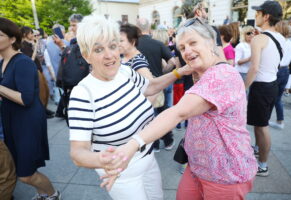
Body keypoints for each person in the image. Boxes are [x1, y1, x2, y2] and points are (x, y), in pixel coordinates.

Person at [103, 17, 257, 200]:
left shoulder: (221, 75)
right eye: (182, 47)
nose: (187, 51)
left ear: (210, 43)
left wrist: (131, 146)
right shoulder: (203, 73)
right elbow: (152, 87)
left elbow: (178, 112)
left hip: (225, 173)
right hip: (197, 167)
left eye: (193, 43)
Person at [68, 15, 192, 200]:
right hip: (121, 172)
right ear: (87, 56)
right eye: (98, 49)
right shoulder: (83, 94)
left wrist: (178, 72)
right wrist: (102, 160)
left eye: (112, 46)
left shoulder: (124, 71)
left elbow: (150, 87)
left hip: (148, 157)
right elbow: (78, 152)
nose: (109, 55)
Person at [0, 17, 61, 200]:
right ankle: (43, 193)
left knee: (25, 174)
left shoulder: (23, 62)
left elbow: (26, 98)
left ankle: (52, 194)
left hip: (26, 122)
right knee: (21, 169)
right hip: (11, 121)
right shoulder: (3, 62)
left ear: (12, 39)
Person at [246, 1, 285, 176]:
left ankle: (263, 165)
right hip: (272, 84)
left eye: (258, 13)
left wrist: (242, 88)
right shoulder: (281, 38)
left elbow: (254, 68)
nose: (256, 16)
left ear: (266, 16)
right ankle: (258, 150)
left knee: (262, 127)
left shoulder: (259, 39)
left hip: (261, 86)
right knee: (259, 124)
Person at [136, 18, 176, 152]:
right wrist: (164, 72)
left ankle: (154, 145)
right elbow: (172, 61)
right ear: (149, 29)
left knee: (146, 117)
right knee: (161, 115)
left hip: (139, 86)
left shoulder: (133, 45)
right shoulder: (157, 44)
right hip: (158, 84)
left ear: (137, 28)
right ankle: (168, 141)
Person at [269, 20, 291, 130]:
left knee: (269, 97)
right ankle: (280, 121)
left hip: (276, 70)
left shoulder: (276, 41)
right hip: (286, 71)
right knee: (278, 98)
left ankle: (264, 121)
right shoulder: (290, 42)